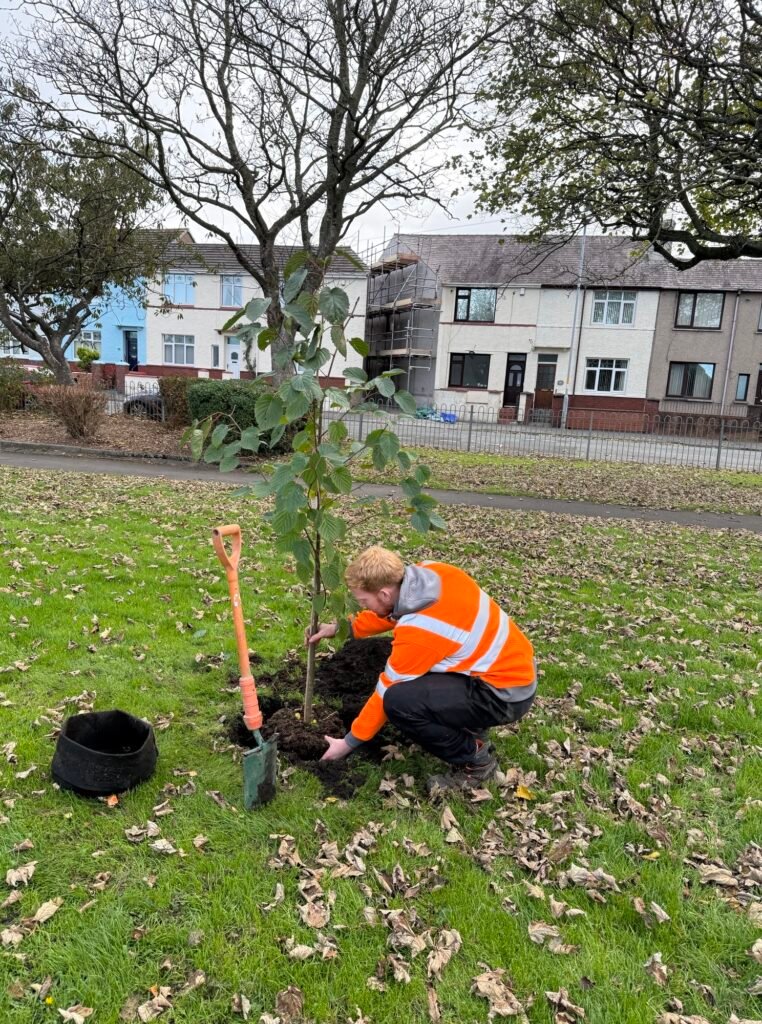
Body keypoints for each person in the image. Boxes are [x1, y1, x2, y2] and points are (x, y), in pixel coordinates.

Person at [308, 545, 537, 784]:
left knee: (398, 701)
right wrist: (340, 628)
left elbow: (386, 689)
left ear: (385, 594)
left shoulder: (421, 630)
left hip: (504, 695)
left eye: (364, 600)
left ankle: (475, 758)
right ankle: (467, 723)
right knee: (415, 677)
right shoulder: (430, 574)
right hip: (508, 668)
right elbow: (390, 613)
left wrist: (348, 742)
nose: (363, 606)